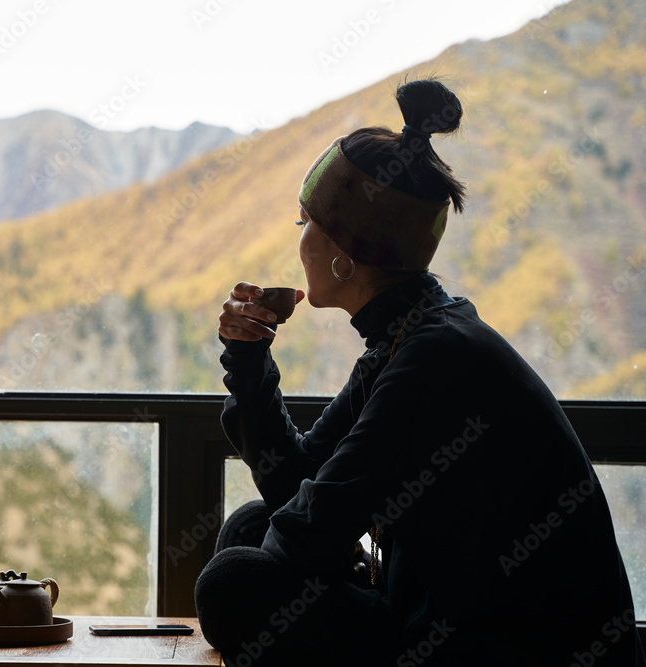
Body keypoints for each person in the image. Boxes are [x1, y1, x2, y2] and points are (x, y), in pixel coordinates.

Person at [194, 79, 645, 666]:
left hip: (509, 651)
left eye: (306, 221)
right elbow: (295, 480)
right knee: (251, 528)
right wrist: (248, 357)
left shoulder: (434, 359)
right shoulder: (410, 331)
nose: (296, 236)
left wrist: (321, 550)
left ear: (343, 252)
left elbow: (306, 530)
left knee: (232, 582)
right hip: (448, 615)